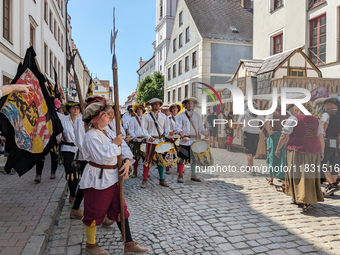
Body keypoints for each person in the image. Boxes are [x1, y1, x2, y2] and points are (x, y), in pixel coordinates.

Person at [79, 98, 150, 255]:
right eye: (105, 115)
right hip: (98, 178)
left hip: (114, 177)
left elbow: (123, 148)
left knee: (120, 209)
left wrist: (126, 162)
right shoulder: (91, 136)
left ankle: (128, 242)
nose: (109, 117)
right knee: (94, 211)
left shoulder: (109, 131)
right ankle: (90, 245)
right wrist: (116, 144)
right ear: (96, 118)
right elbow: (102, 157)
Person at [275, 102, 324, 212]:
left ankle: (301, 198)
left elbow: (284, 135)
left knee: (297, 173)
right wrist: (322, 151)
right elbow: (320, 136)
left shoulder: (294, 118)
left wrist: (278, 148)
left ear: (297, 109)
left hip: (297, 150)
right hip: (314, 150)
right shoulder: (316, 120)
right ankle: (307, 198)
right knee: (310, 174)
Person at [141, 98, 171, 188]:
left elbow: (167, 129)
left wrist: (169, 134)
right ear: (151, 105)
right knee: (148, 160)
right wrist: (148, 137)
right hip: (150, 141)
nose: (156, 105)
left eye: (158, 104)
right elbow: (143, 129)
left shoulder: (164, 116)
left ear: (160, 105)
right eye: (155, 104)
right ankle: (144, 179)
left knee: (161, 161)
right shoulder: (146, 117)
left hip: (161, 141)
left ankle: (161, 179)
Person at [176, 97, 206, 182]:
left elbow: (200, 128)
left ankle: (193, 175)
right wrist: (182, 136)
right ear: (185, 105)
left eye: (191, 103)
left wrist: (205, 134)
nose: (190, 105)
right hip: (184, 140)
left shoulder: (197, 116)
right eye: (188, 103)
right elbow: (178, 127)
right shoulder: (181, 115)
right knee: (181, 158)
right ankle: (180, 175)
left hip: (194, 140)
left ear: (193, 105)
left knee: (194, 158)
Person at [34, 98, 63, 183]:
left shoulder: (57, 115)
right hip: (43, 138)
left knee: (54, 156)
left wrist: (59, 137)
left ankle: (53, 172)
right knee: (40, 157)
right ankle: (38, 175)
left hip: (53, 138)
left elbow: (59, 127)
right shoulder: (41, 114)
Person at [264, 100, 289, 190]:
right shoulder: (288, 113)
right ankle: (278, 179)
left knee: (272, 157)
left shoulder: (272, 112)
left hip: (275, 136)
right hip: (285, 136)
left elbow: (266, 122)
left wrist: (270, 132)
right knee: (283, 157)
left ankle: (273, 178)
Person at [59, 101, 81, 204]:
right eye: (74, 108)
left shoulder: (82, 120)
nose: (76, 110)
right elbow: (58, 131)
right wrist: (57, 138)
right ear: (70, 109)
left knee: (78, 173)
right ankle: (73, 195)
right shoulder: (63, 120)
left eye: (77, 108)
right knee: (71, 173)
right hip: (67, 149)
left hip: (80, 149)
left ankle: (76, 194)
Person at [236, 101, 264, 175]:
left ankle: (252, 170)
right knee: (253, 152)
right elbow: (264, 122)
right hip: (256, 135)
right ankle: (248, 166)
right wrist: (261, 130)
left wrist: (237, 132)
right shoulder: (259, 114)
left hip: (248, 134)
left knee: (249, 152)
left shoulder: (245, 113)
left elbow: (239, 124)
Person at [320, 98, 340, 195]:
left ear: (332, 104)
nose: (325, 106)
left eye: (326, 104)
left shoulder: (327, 115)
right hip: (338, 144)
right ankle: (332, 187)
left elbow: (322, 129)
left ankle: (332, 184)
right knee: (334, 165)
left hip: (327, 142)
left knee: (322, 162)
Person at [128, 103, 145, 178]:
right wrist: (134, 137)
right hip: (136, 140)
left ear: (143, 110)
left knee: (145, 157)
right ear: (136, 111)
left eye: (140, 109)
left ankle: (145, 172)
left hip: (145, 140)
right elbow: (131, 130)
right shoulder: (133, 119)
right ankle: (135, 172)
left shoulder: (146, 118)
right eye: (138, 109)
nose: (139, 110)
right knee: (136, 157)